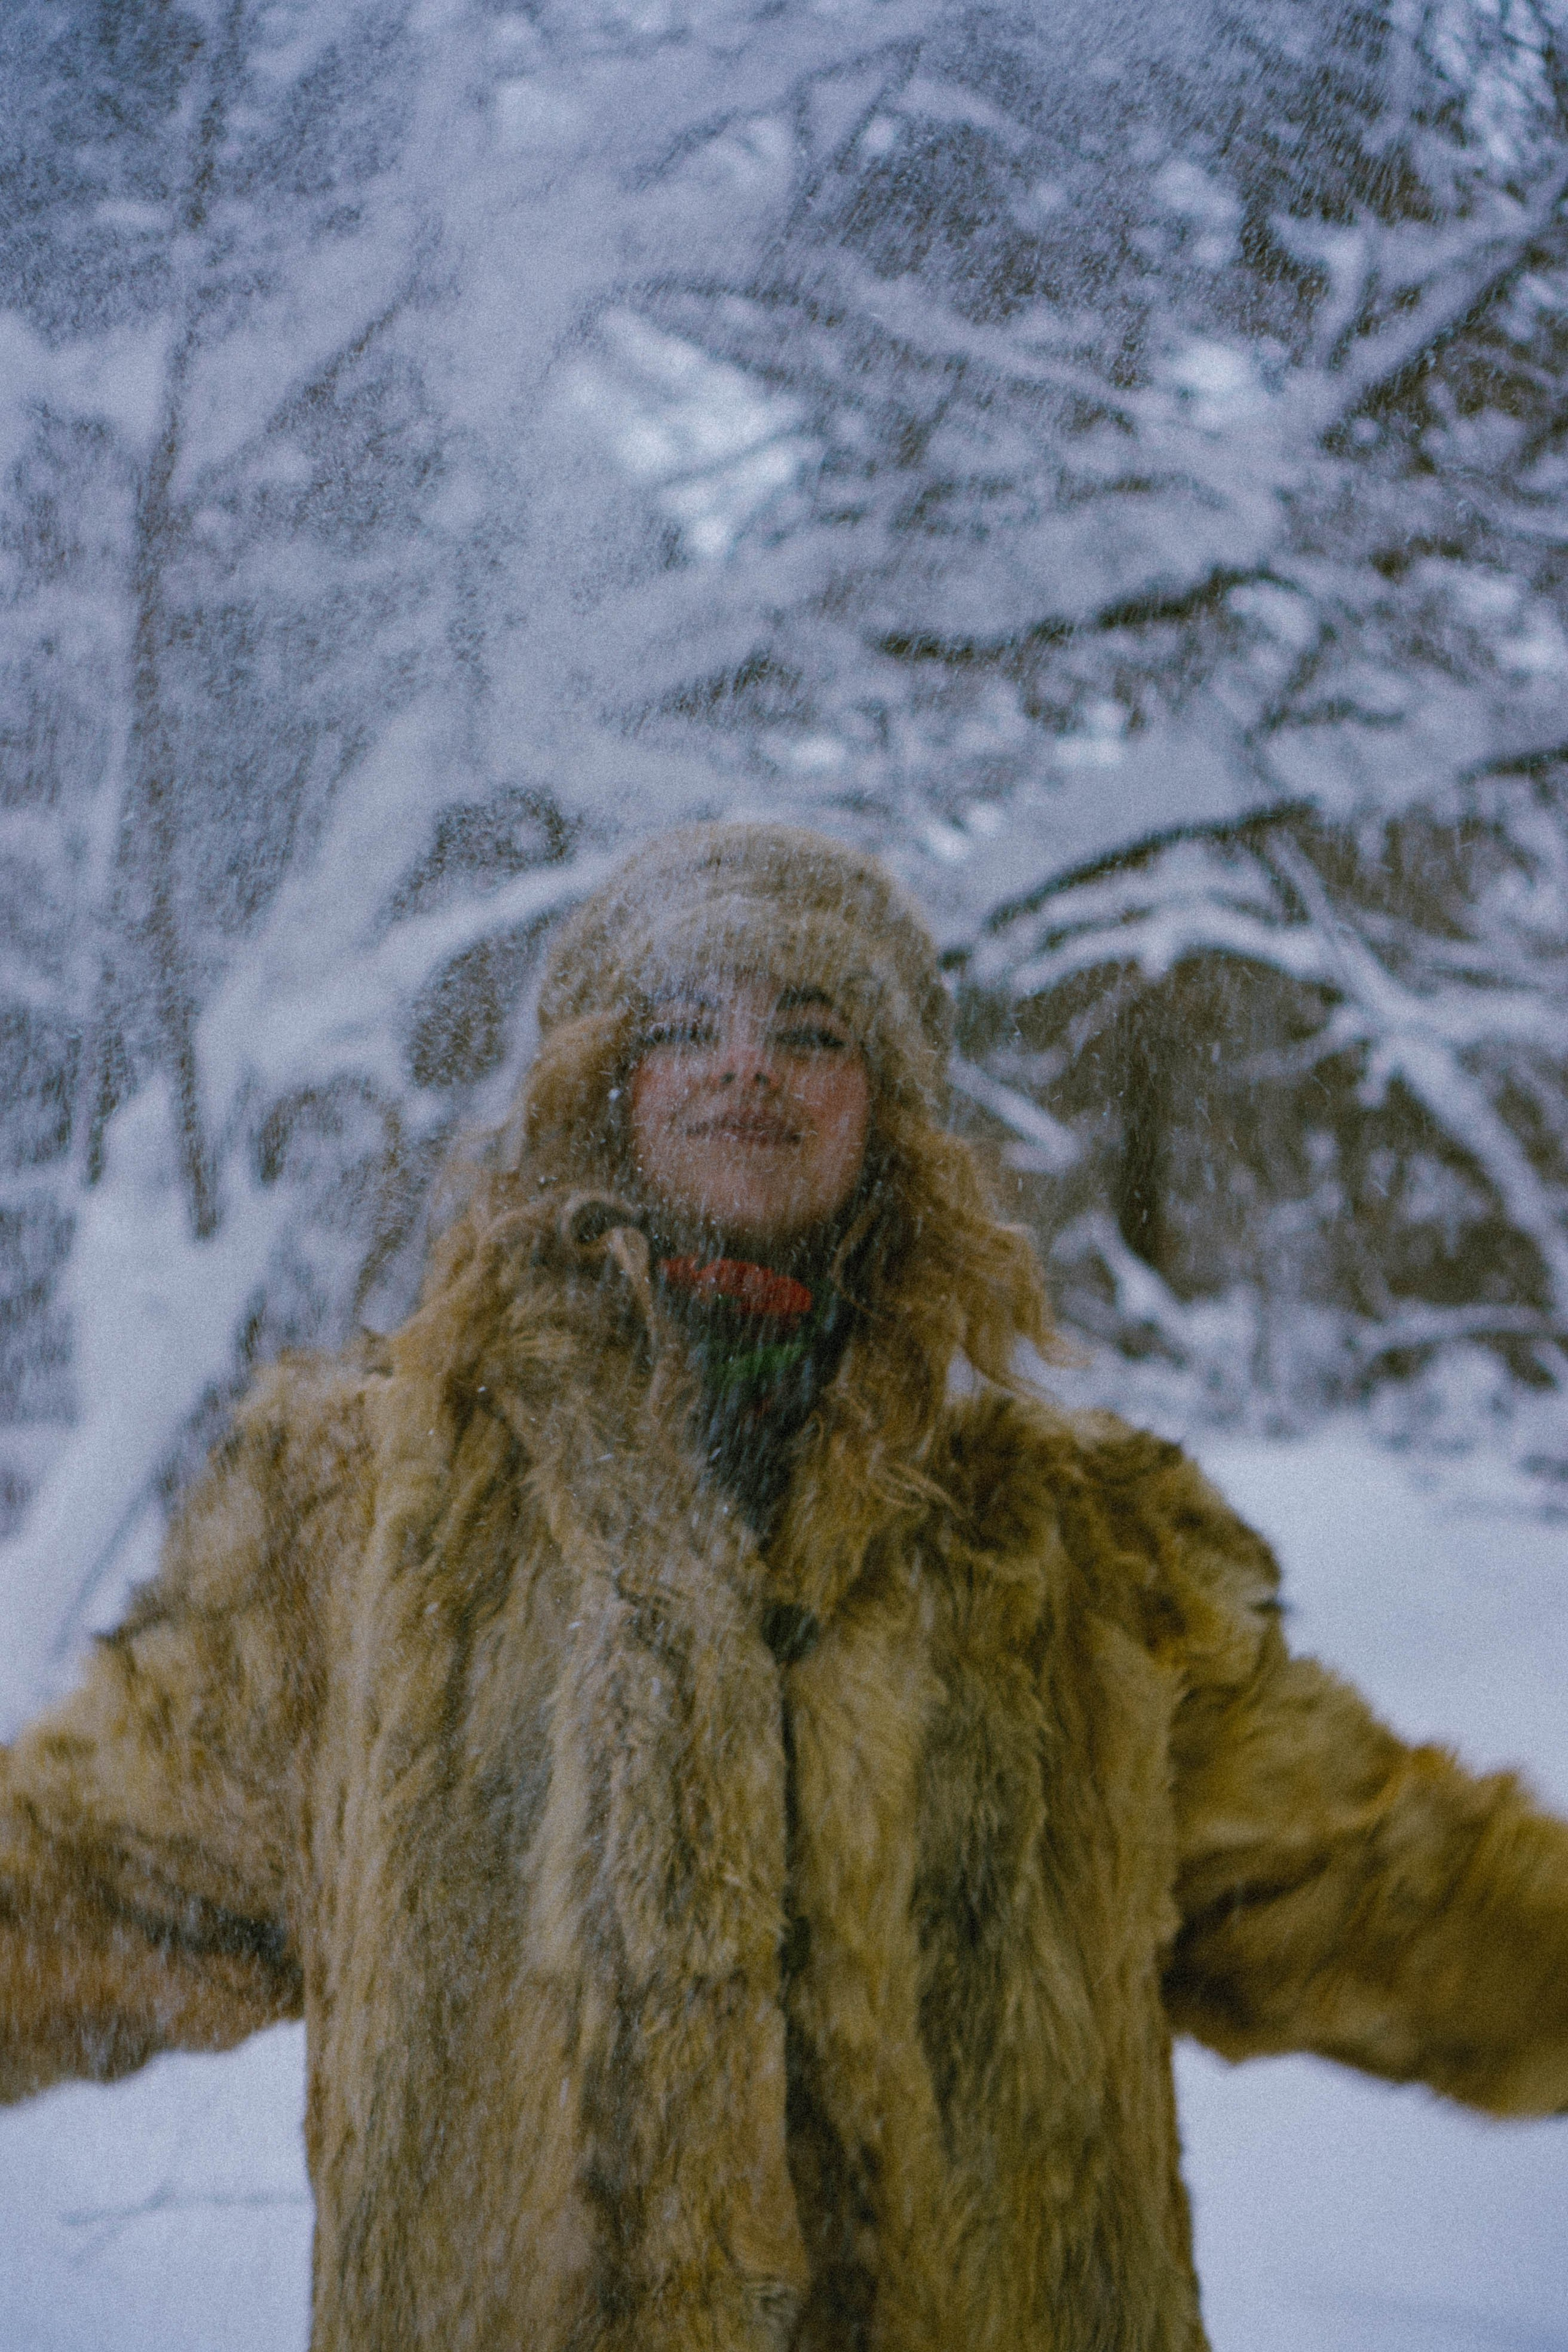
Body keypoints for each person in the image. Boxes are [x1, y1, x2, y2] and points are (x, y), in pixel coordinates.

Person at [0, 820, 1565, 2352]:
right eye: (688, 1024)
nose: (747, 1064)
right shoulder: (361, 1510)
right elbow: (92, 1873)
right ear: (601, 1083)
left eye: (808, 1030)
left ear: (882, 1105)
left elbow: (1356, 1880)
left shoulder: (1072, 1542)